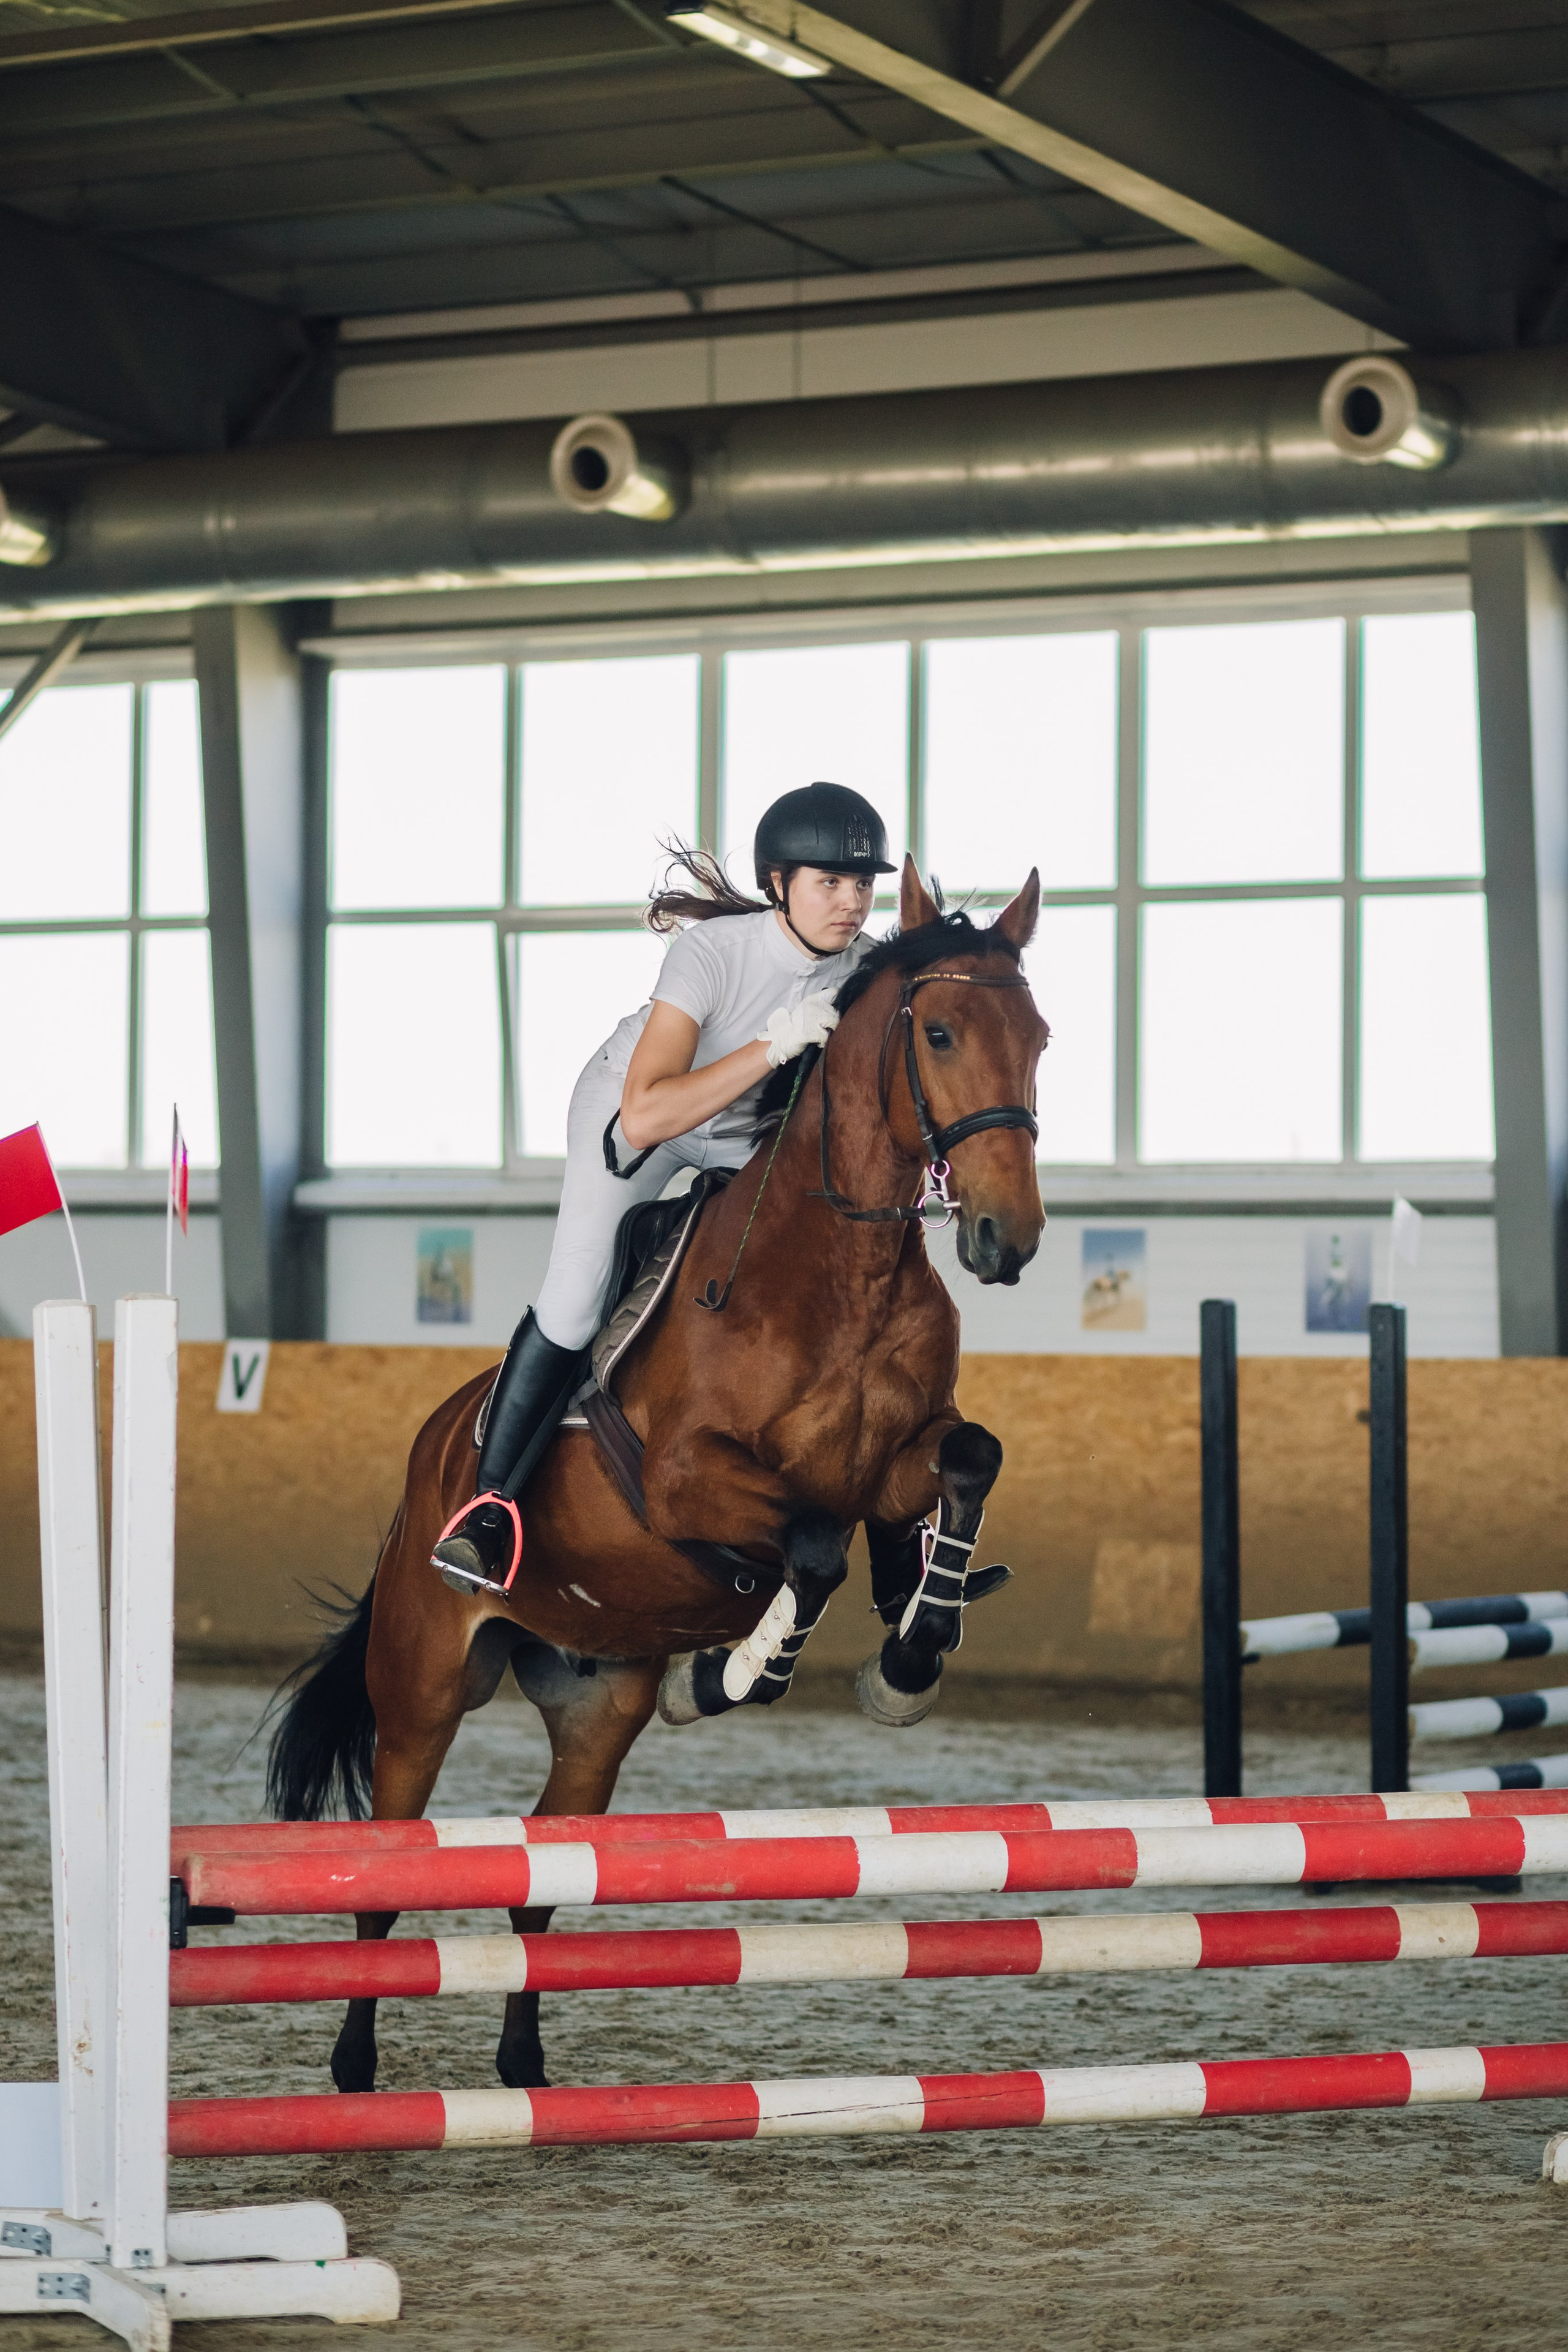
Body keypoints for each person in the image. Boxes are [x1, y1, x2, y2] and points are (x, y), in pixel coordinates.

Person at [432, 780, 895, 1597]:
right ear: (778, 883)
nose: (851, 901)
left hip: (746, 1135)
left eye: (862, 884)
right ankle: (487, 1508)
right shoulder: (711, 953)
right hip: (637, 1112)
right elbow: (647, 1116)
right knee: (577, 1299)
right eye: (830, 882)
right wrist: (772, 1045)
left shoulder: (864, 968)